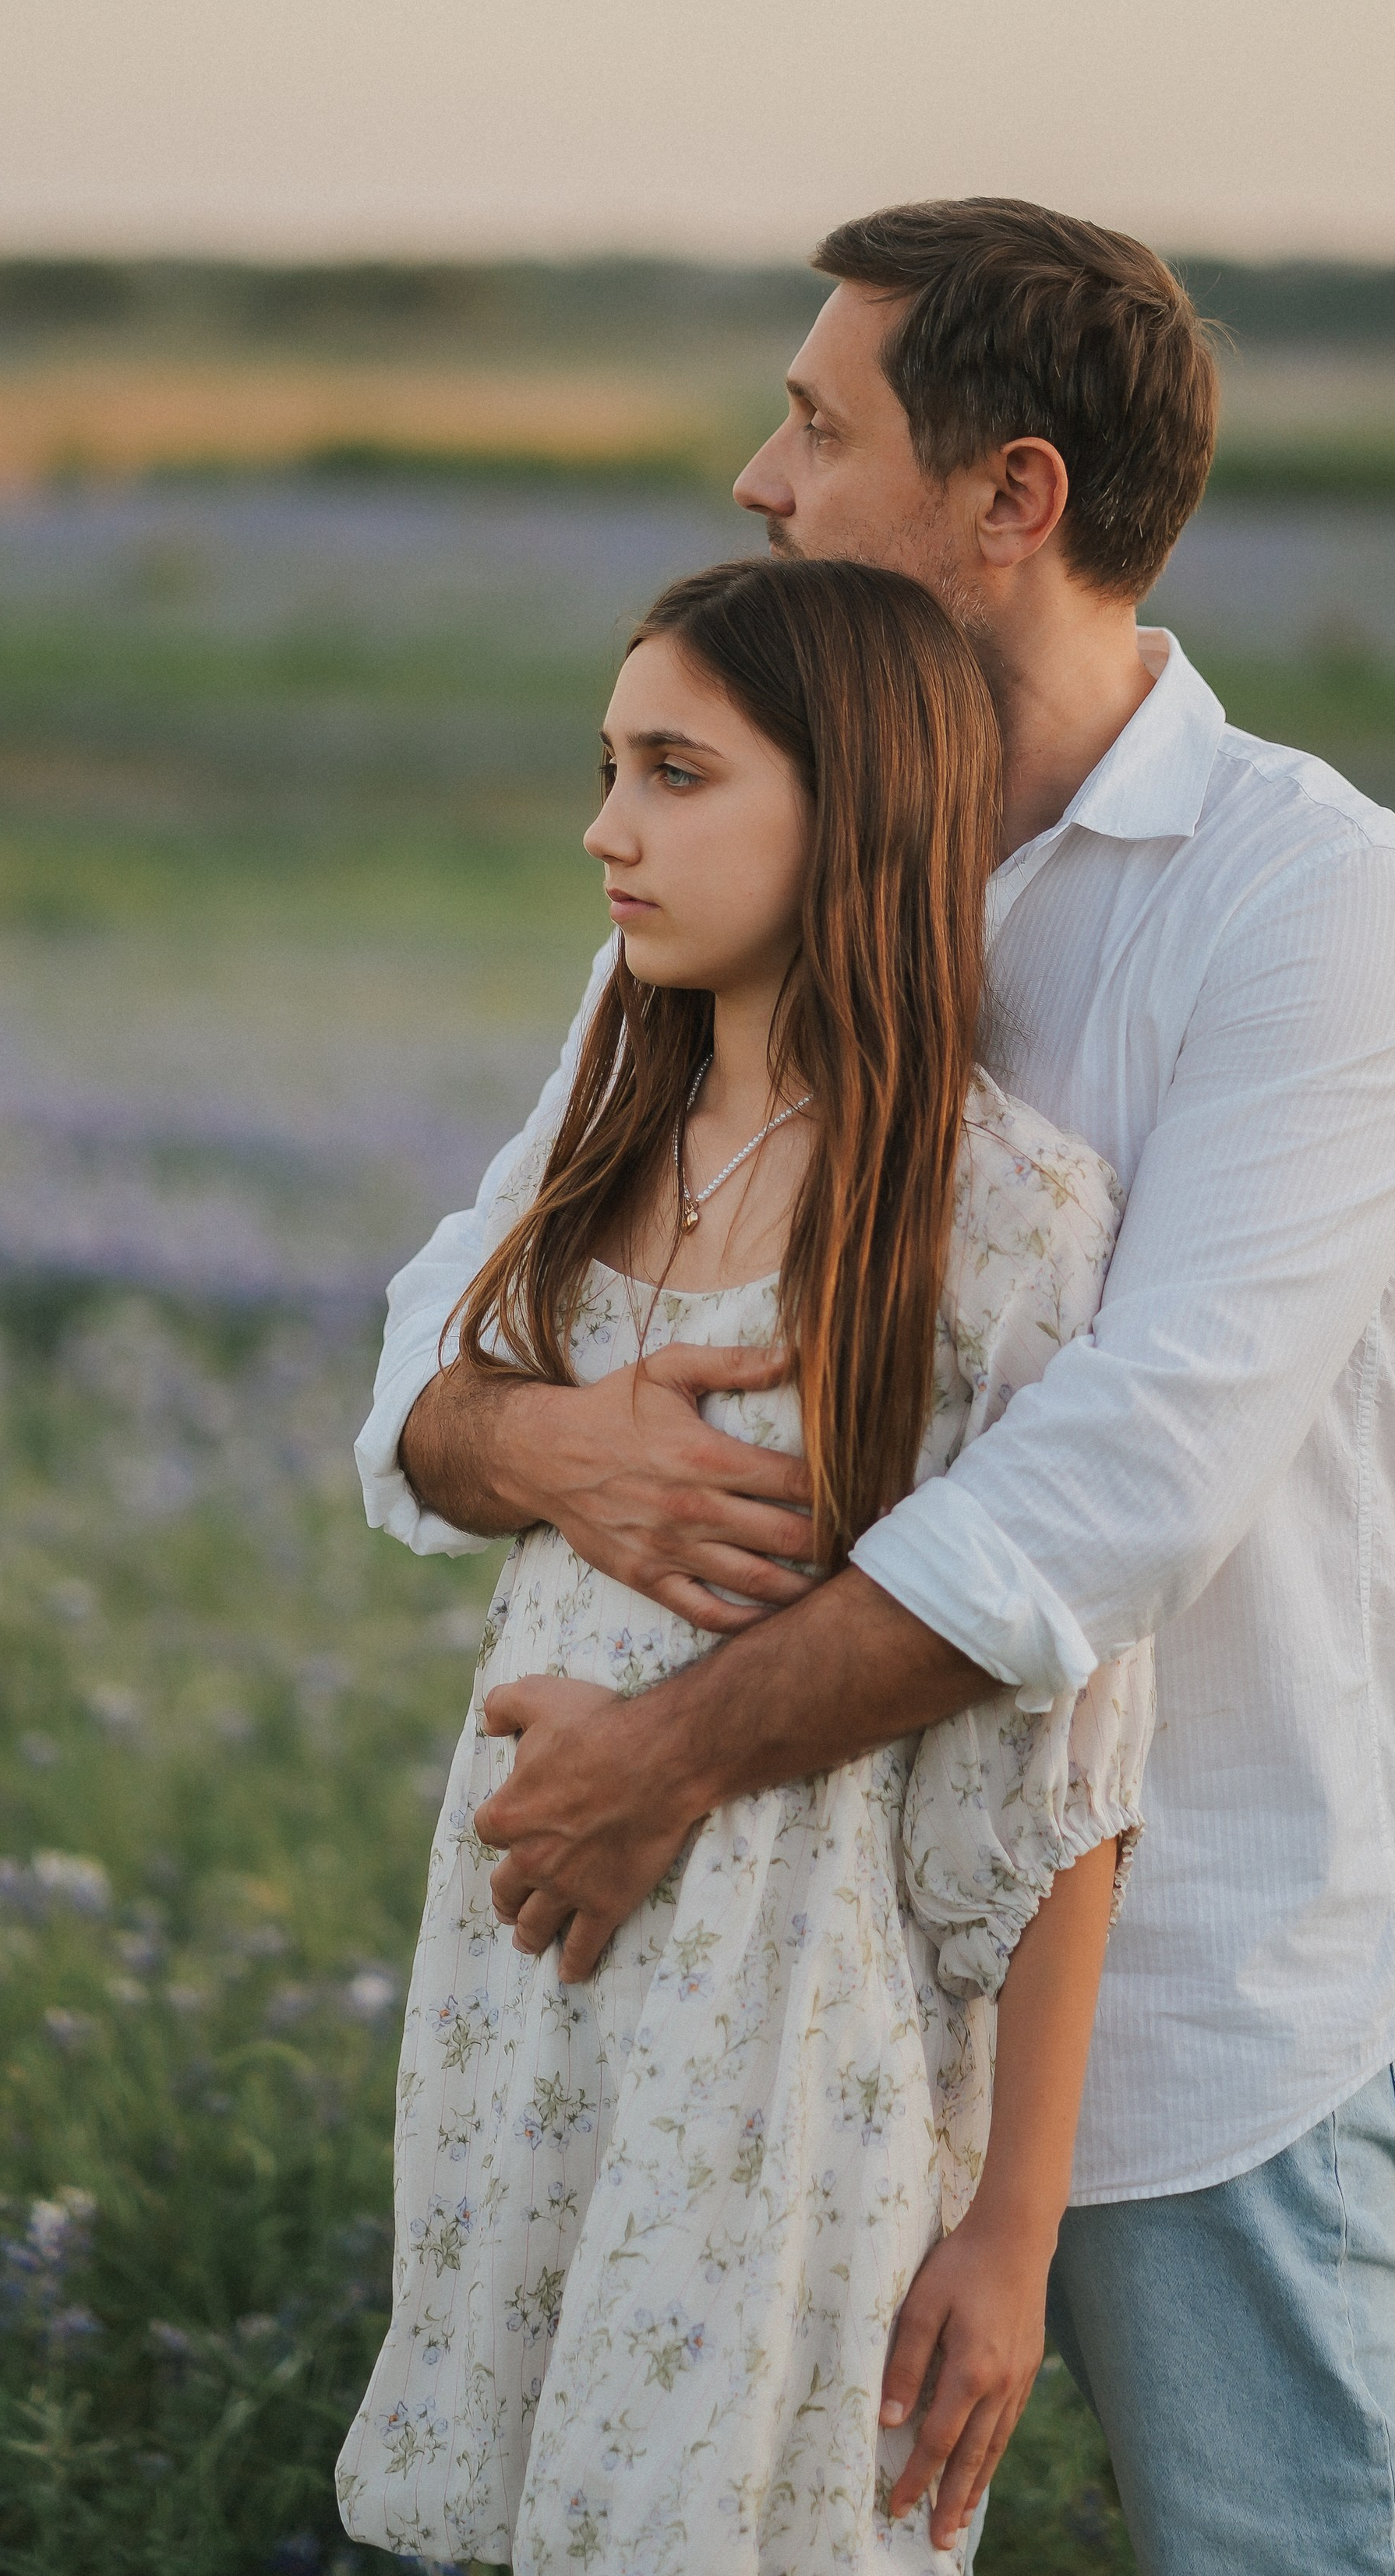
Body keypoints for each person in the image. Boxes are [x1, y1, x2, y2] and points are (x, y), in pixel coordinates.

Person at [361, 199, 1395, 2576]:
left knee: (1277, 2544)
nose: (758, 481)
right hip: (745, 2010)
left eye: (814, 420)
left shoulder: (1307, 899)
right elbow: (448, 1324)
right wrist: (536, 1438)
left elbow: (1128, 1482)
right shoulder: (757, 850)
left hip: (1178, 1982)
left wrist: (665, 1751)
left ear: (1012, 499)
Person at [336, 557, 1154, 2571]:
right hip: (524, 1991)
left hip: (785, 2029)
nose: (606, 829)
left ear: (854, 805)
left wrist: (1011, 2223)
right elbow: (423, 1420)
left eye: (676, 773)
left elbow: (1070, 1759)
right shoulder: (596, 1152)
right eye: (606, 767)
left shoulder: (995, 1208)